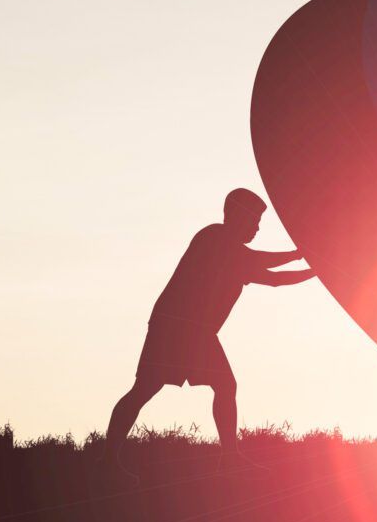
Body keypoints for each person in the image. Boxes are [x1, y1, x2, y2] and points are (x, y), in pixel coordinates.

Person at [106, 188, 315, 455]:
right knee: (145, 389)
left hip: (195, 332)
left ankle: (229, 457)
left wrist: (313, 269)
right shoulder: (214, 238)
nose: (257, 229)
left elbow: (273, 278)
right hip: (175, 327)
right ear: (236, 216)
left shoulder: (234, 253)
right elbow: (266, 265)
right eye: (254, 221)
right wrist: (304, 257)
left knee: (222, 385)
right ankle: (109, 459)